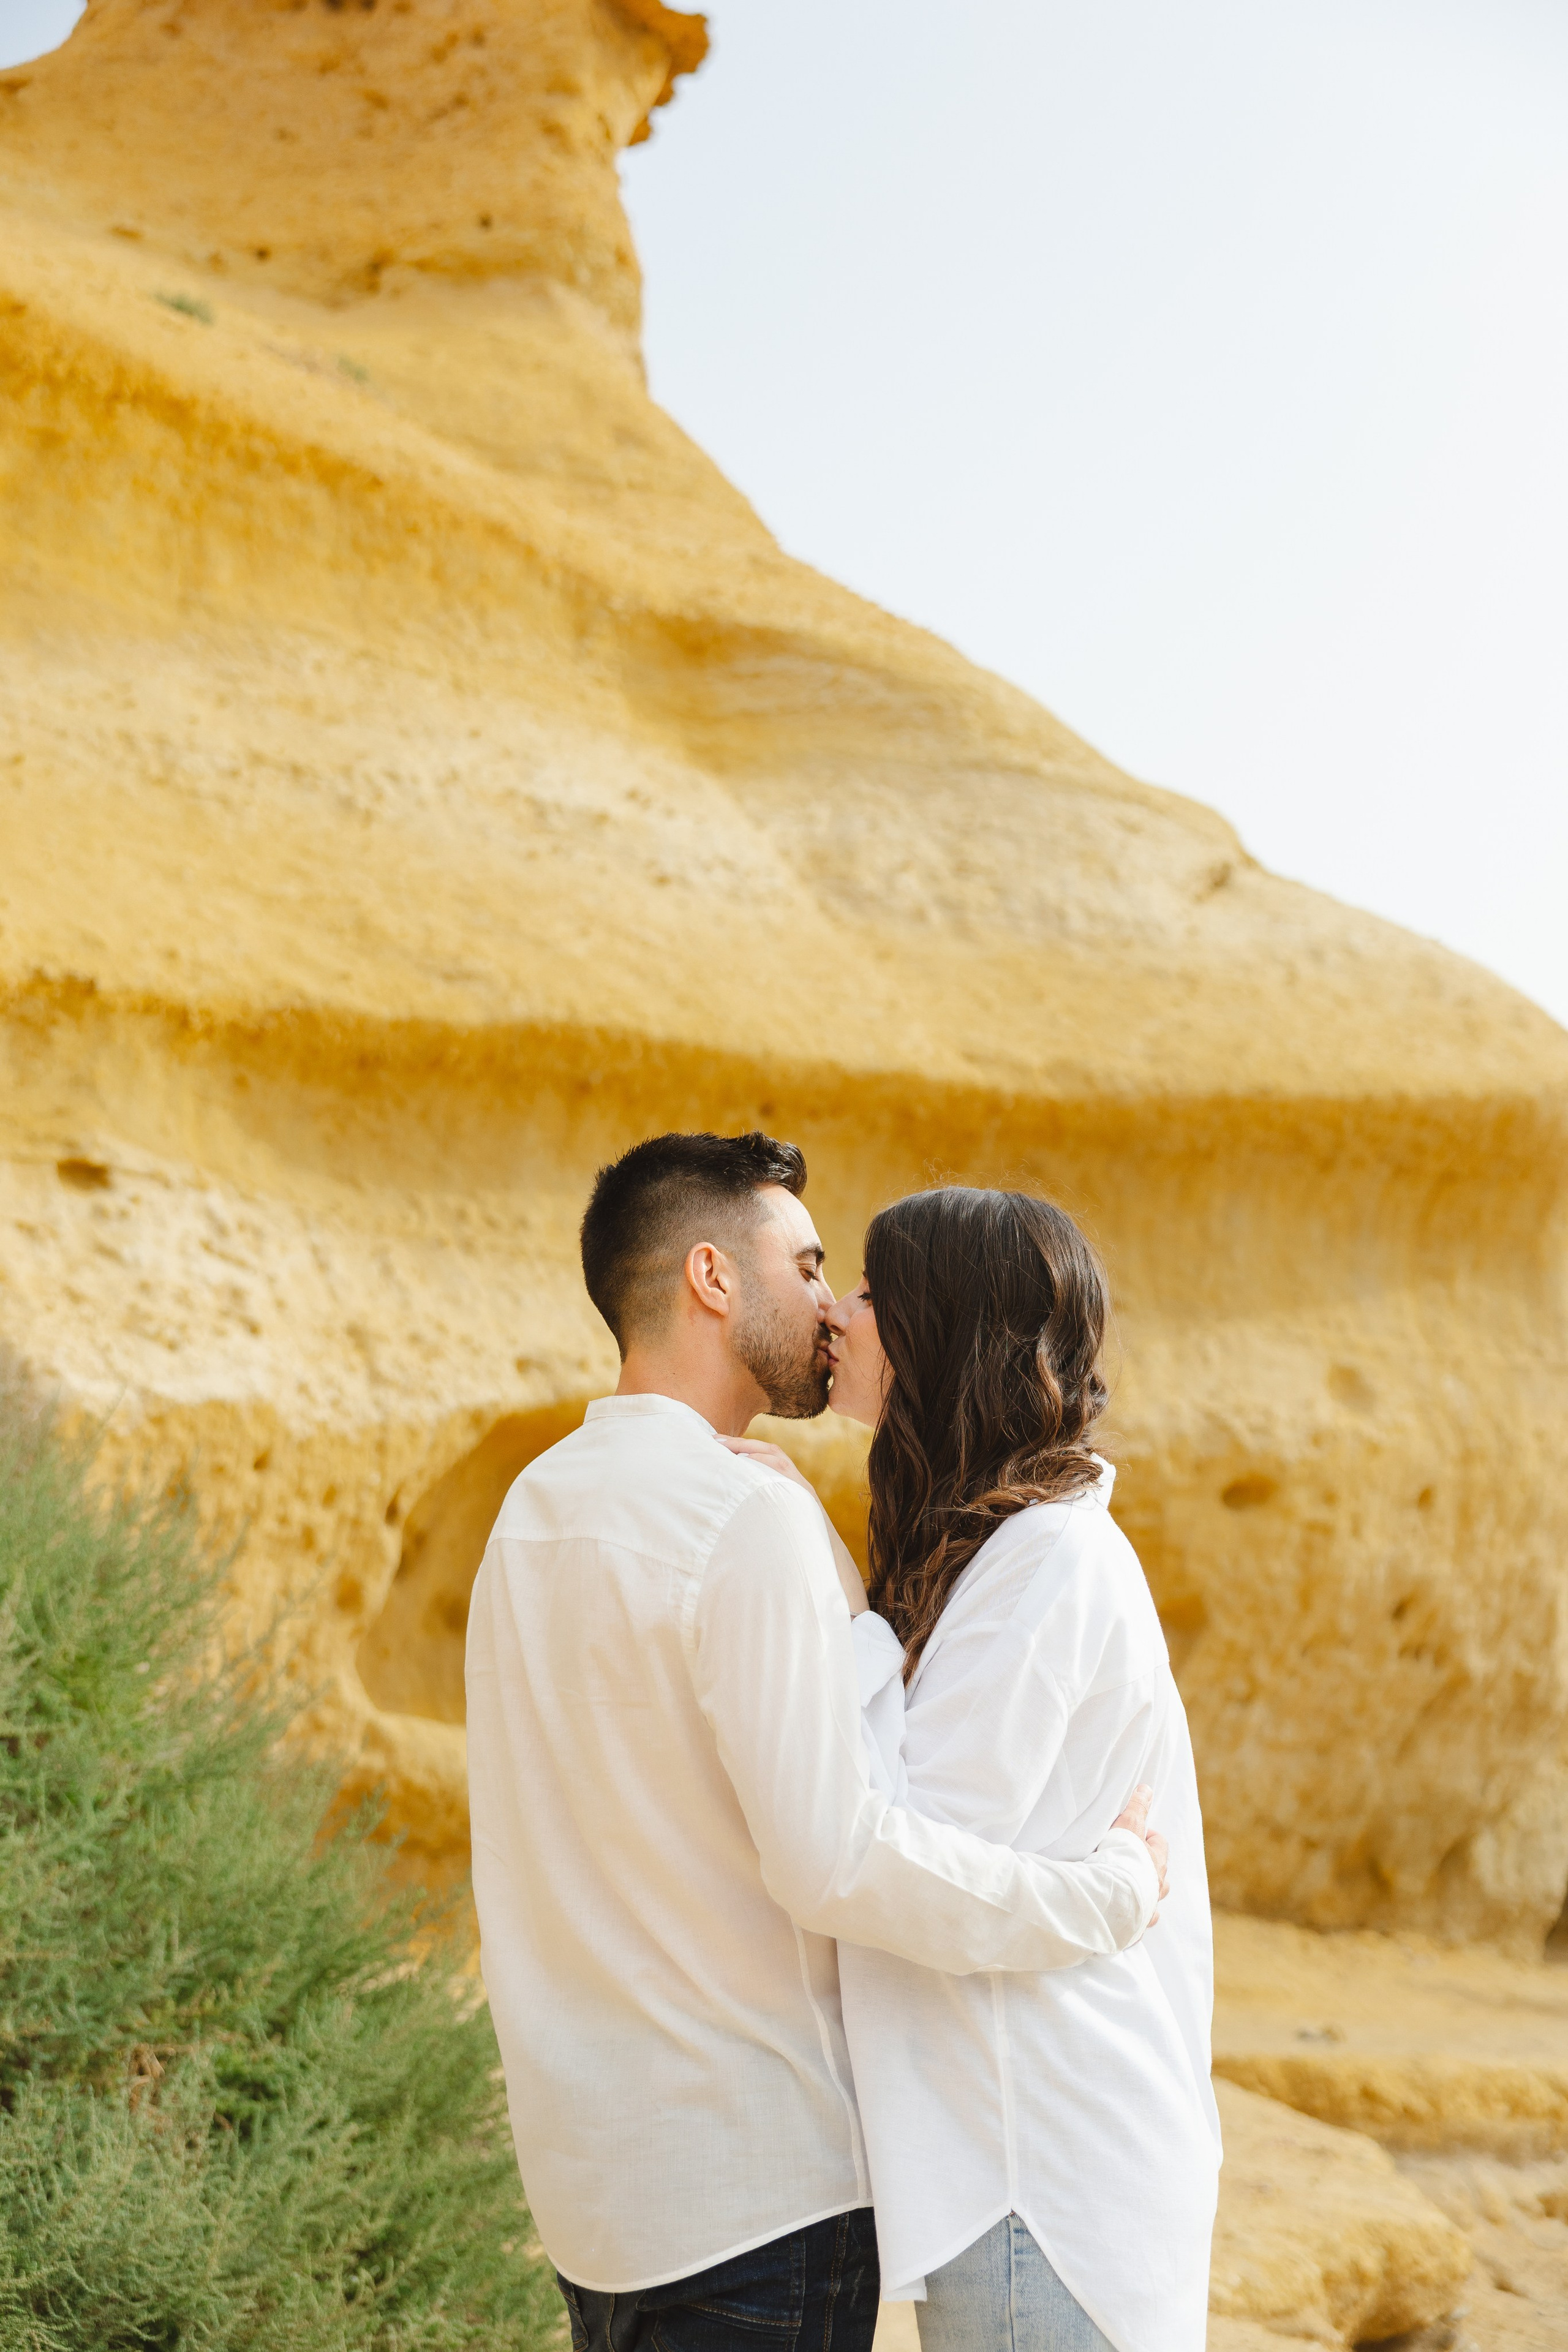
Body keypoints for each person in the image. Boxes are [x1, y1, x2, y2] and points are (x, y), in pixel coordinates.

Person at [466, 1133, 1170, 2352]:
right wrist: (1106, 1898)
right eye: (805, 1265)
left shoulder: (530, 1512)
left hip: (591, 2193)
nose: (830, 1306)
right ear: (711, 1279)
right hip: (757, 2188)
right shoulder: (745, 1519)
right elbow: (840, 1858)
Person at [726, 1187, 1221, 2352]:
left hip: (1042, 2172)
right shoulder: (1003, 1545)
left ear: (940, 1332)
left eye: (868, 1290)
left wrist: (828, 1607)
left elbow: (902, 1844)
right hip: (1011, 2163)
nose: (839, 1314)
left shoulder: (1051, 1562)